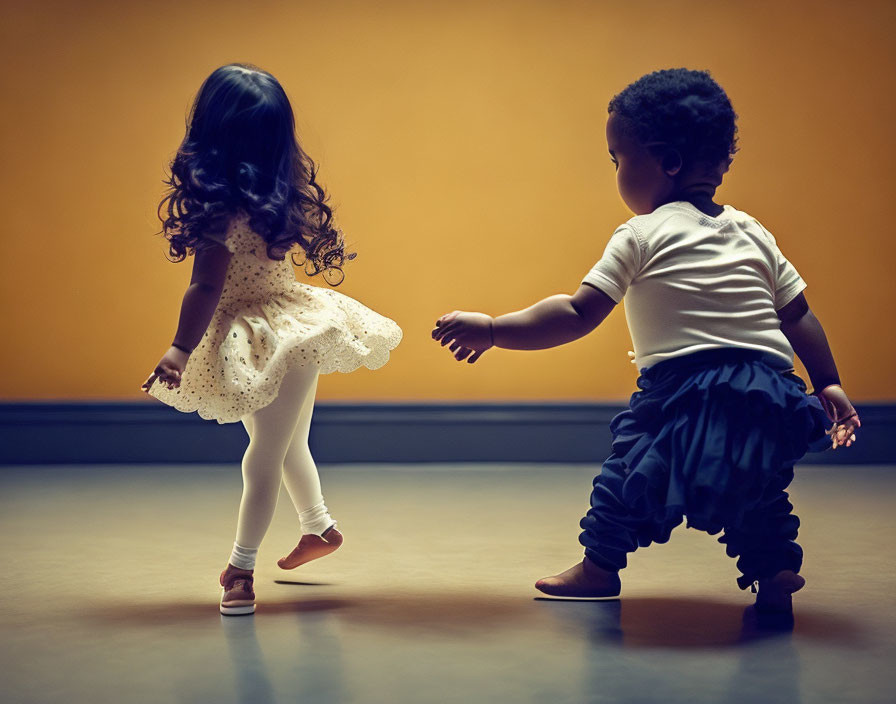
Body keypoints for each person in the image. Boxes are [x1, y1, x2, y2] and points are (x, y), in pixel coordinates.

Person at [432, 68, 859, 613]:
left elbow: (576, 312)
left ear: (668, 163)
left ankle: (599, 568)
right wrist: (830, 383)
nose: (615, 172)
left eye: (618, 158)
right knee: (756, 490)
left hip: (679, 389)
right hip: (765, 391)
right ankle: (775, 574)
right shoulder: (753, 230)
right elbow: (798, 316)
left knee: (629, 477)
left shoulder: (641, 233)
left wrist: (494, 329)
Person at [140, 63, 402, 615]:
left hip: (269, 337)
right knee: (286, 444)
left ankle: (240, 569)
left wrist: (180, 349)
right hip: (289, 328)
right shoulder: (278, 198)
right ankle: (321, 529)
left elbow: (205, 287)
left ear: (209, 135)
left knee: (262, 456)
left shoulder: (220, 215)